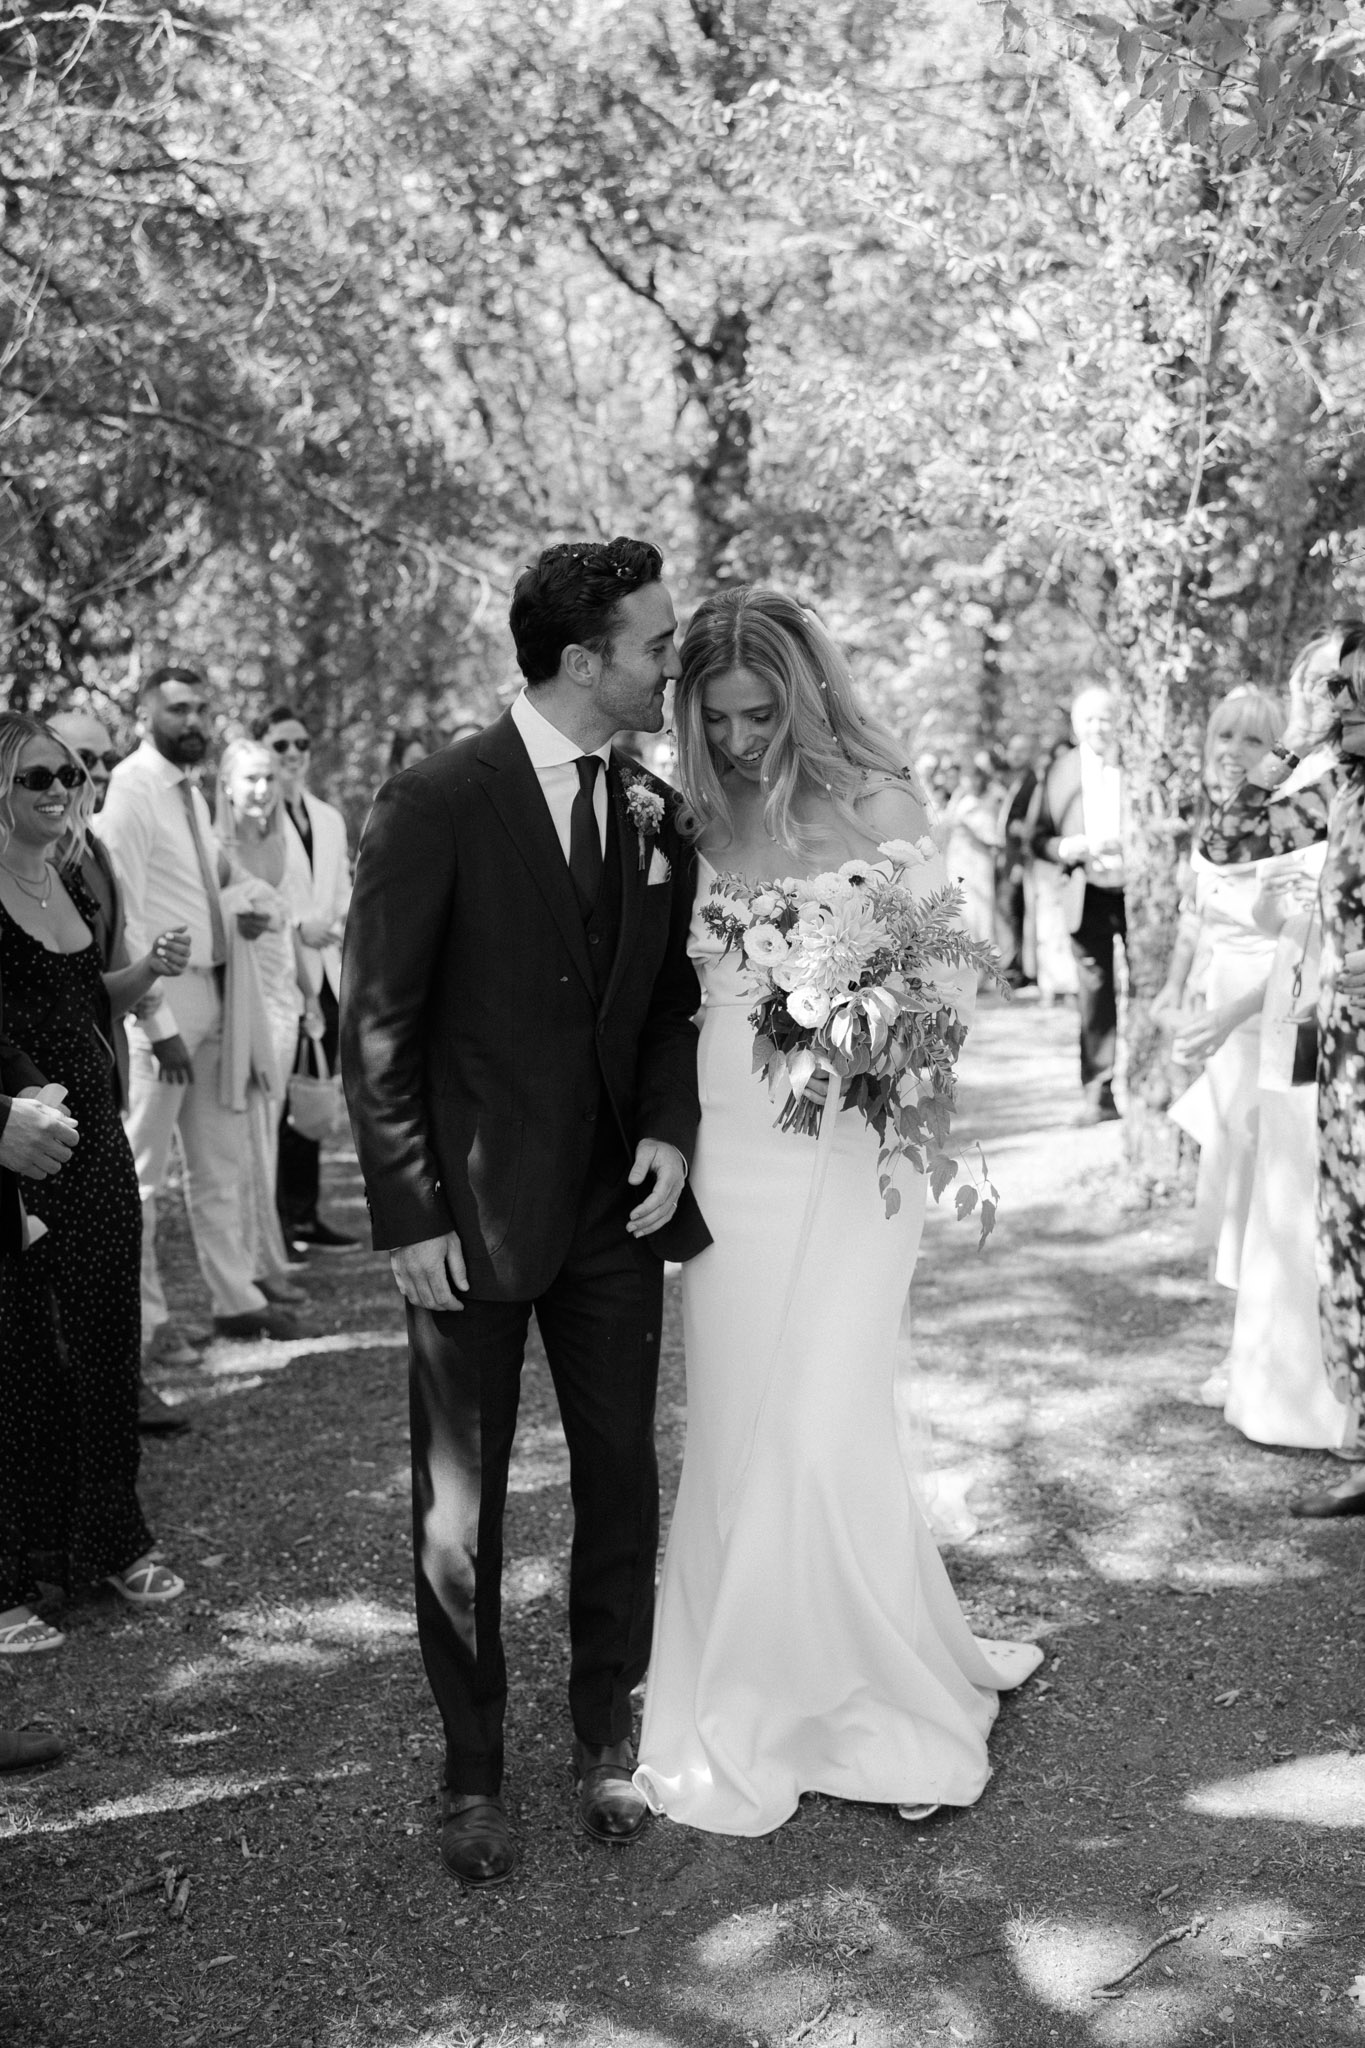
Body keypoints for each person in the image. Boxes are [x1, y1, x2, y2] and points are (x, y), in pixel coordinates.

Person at [631, 586, 1041, 1840]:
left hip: (859, 1149)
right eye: (721, 715)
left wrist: (868, 1023)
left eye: (763, 711)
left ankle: (870, 1693)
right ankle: (746, 1671)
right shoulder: (682, 817)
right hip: (729, 1154)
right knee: (742, 1409)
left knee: (822, 1412)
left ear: (806, 694)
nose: (745, 737)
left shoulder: (880, 802)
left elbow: (949, 991)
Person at [340, 536, 710, 1886]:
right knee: (460, 1501)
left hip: (617, 1209)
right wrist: (407, 1214)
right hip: (471, 1221)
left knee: (623, 1477)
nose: (673, 661)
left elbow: (669, 1004)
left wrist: (671, 1135)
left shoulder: (656, 814)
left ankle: (604, 1737)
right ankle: (471, 1769)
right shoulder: (437, 797)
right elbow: (375, 1023)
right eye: (657, 644)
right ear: (582, 659)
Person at [0, 714, 186, 1654]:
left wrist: (144, 974)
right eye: (36, 773)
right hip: (23, 1151)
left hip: (100, 1147)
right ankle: (17, 1575)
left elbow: (85, 1000)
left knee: (109, 1346)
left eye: (69, 775)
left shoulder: (67, 875)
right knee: (28, 1358)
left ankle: (112, 1540)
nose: (58, 789)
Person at [96, 667, 297, 1349]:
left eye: (201, 710)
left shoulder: (188, 792)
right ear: (143, 715)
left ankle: (235, 1301)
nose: (194, 721)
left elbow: (218, 880)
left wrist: (247, 907)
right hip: (161, 1008)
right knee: (143, 1178)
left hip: (217, 994)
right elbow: (118, 914)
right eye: (178, 708)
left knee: (221, 1165)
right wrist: (156, 1022)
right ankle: (147, 1326)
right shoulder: (131, 790)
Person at [1155, 690, 1289, 1308]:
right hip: (1220, 1010)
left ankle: (1257, 1340)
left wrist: (1228, 1017)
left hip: (1269, 1013)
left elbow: (1299, 947)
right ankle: (1240, 1332)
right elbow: (1194, 918)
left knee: (1264, 1169)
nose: (1234, 752)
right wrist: (1173, 988)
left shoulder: (1289, 827)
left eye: (1253, 740)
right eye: (1225, 736)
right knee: (1233, 1158)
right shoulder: (1213, 821)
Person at [254, 705, 358, 1255]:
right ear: (264, 750)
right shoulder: (254, 817)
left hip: (326, 977)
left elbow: (343, 892)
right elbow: (257, 893)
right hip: (275, 974)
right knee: (278, 1099)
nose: (292, 754)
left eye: (300, 744)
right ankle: (277, 1222)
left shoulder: (329, 818)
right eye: (280, 745)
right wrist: (299, 925)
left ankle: (306, 1213)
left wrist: (331, 925)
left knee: (312, 1094)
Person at [214, 738, 312, 1308]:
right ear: (226, 783)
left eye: (268, 778)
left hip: (282, 1000)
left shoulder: (286, 838)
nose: (261, 789)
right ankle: (253, 1267)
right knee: (246, 1137)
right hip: (239, 1002)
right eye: (250, 778)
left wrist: (309, 1000)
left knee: (269, 1134)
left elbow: (294, 924)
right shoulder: (213, 844)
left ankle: (267, 1255)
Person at [1030, 686, 1126, 1122]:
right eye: (1089, 719)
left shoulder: (1138, 766)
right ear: (1075, 725)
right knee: (1095, 993)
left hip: (1136, 892)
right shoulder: (1060, 771)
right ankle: (1099, 1092)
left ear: (1118, 720)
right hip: (1086, 893)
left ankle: (1148, 1084)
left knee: (1146, 985)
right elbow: (1034, 835)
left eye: (1105, 717)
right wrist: (1068, 847)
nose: (1098, 727)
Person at [995, 735, 1037, 989]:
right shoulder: (1015, 781)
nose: (1016, 755)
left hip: (1018, 860)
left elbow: (1028, 826)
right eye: (1012, 750)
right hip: (1007, 857)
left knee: (1011, 910)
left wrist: (1020, 862)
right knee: (1008, 910)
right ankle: (1013, 967)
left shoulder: (1032, 782)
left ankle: (1015, 970)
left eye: (1022, 751)